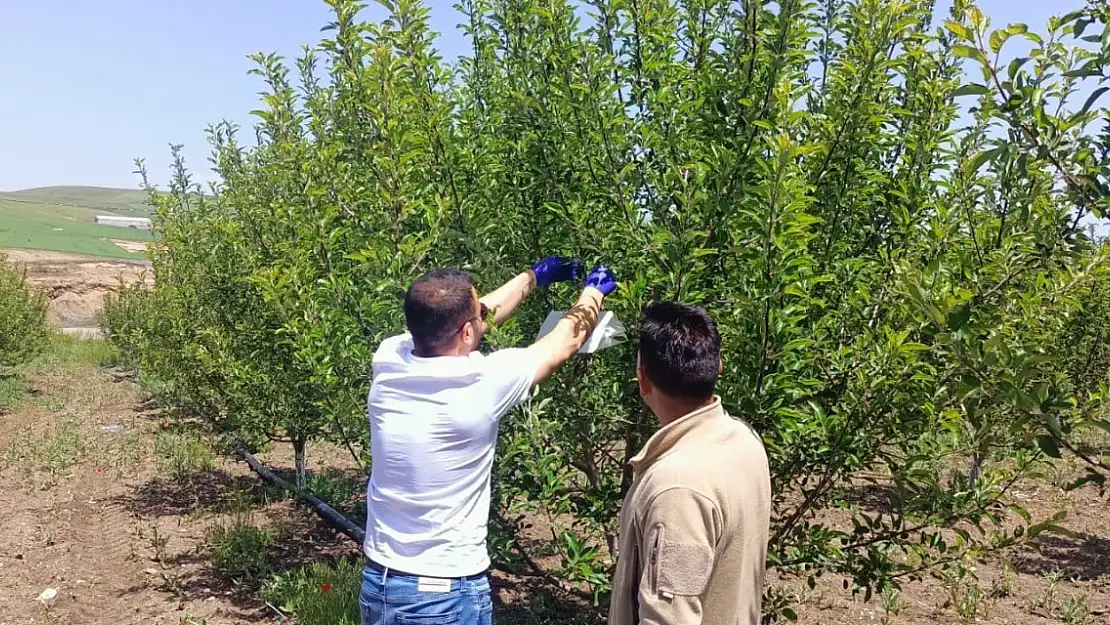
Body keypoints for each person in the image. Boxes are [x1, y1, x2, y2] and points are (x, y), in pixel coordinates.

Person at [359, 256, 618, 625]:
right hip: (442, 598)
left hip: (381, 584)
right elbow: (563, 343)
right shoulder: (481, 383)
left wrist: (532, 278)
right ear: (466, 332)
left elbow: (469, 318)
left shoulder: (390, 357)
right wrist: (593, 292)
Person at [608, 302, 771, 625]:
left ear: (642, 380)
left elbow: (668, 617)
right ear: (718, 366)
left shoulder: (677, 486)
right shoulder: (743, 439)